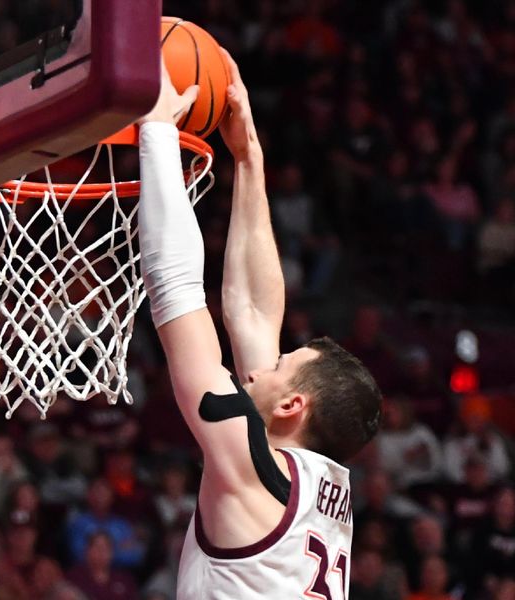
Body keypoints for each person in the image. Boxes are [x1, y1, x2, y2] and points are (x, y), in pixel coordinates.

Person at [136, 54, 381, 598]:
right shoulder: (313, 485)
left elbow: (177, 294)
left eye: (281, 366)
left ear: (294, 406)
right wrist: (249, 158)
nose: (260, 367)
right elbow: (250, 313)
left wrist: (155, 132)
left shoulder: (255, 473)